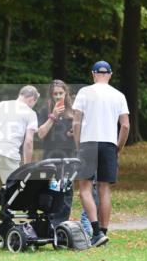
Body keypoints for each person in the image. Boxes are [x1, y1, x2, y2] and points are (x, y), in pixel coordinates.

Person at [73, 60, 129, 247]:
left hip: (88, 142)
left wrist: (78, 144)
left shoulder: (84, 92)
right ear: (110, 75)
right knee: (105, 189)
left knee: (85, 189)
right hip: (108, 144)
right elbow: (126, 126)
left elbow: (76, 122)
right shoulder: (118, 95)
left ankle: (95, 232)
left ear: (93, 74)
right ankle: (103, 233)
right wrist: (118, 147)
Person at [0, 85, 39, 228]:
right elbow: (29, 141)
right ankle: (13, 229)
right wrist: (27, 165)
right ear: (31, 99)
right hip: (8, 153)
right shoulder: (29, 113)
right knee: (14, 194)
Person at [36, 80, 76, 224]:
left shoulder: (73, 111)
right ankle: (49, 221)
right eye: (55, 94)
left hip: (69, 158)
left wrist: (74, 132)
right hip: (50, 158)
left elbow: (82, 133)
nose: (58, 96)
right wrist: (52, 116)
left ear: (66, 94)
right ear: (51, 95)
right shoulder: (44, 110)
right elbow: (40, 134)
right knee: (50, 190)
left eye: (61, 93)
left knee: (66, 191)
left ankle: (62, 223)